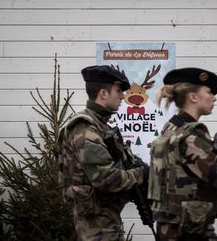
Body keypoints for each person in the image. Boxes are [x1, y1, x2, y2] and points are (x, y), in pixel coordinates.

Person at [148, 67, 217, 241]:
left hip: (170, 229)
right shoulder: (190, 135)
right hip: (191, 232)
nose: (214, 98)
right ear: (193, 97)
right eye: (209, 92)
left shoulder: (170, 130)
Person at [58, 65, 149, 241]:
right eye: (118, 91)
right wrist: (141, 174)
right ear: (103, 93)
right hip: (97, 226)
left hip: (105, 220)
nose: (123, 96)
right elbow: (105, 178)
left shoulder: (100, 126)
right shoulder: (85, 127)